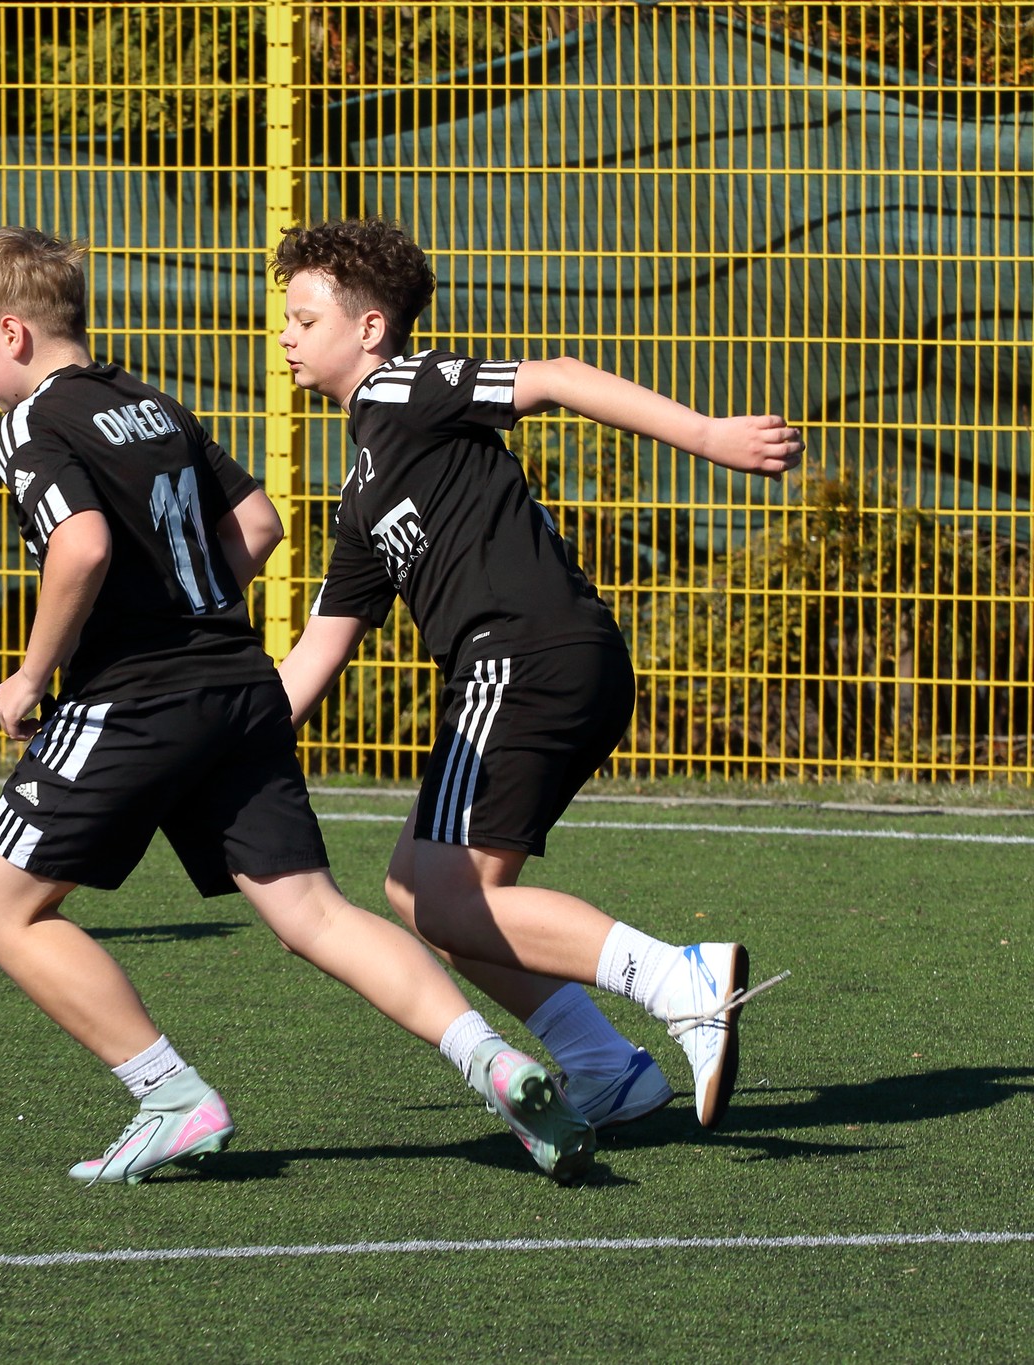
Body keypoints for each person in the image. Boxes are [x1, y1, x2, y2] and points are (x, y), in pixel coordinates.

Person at [0, 225, 596, 1187]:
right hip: (240, 684)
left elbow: (80, 544)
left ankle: (170, 1097)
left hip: (136, 695)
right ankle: (492, 1061)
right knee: (313, 913)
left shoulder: (30, 420)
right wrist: (194, 609)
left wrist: (33, 674)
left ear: (13, 333)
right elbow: (256, 523)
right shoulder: (151, 403)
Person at [271, 217, 797, 1130]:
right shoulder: (362, 487)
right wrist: (216, 746)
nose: (285, 336)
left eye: (305, 319)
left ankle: (680, 978)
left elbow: (553, 377)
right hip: (538, 662)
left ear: (369, 328)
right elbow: (321, 644)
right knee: (416, 888)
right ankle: (605, 1067)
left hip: (523, 655)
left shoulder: (405, 386)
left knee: (445, 895)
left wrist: (707, 435)